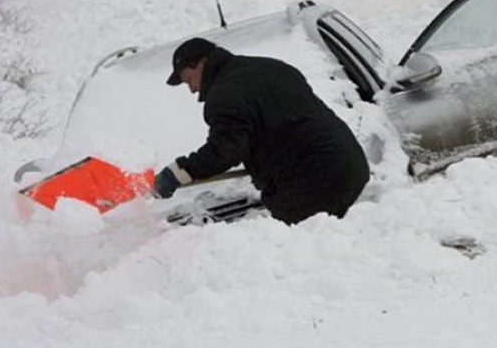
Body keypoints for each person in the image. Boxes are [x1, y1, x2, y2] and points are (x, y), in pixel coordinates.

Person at [152, 37, 370, 225]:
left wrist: (178, 172)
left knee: (306, 260)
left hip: (311, 184)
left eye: (188, 79)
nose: (191, 90)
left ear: (201, 62)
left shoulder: (225, 96)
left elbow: (224, 151)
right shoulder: (272, 66)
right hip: (350, 165)